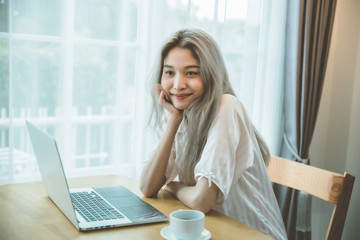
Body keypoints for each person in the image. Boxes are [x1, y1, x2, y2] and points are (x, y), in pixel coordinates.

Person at [139, 29, 287, 240]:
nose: (178, 85)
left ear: (210, 74)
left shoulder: (227, 107)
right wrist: (173, 121)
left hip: (256, 235)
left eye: (191, 72)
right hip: (215, 233)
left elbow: (201, 202)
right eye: (170, 72)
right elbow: (147, 186)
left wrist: (174, 186)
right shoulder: (180, 114)